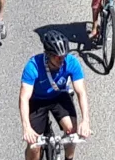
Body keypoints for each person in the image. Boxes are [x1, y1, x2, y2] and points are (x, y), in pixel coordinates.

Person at [20, 30, 91, 160]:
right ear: (48, 55)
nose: (62, 60)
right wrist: (27, 128)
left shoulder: (72, 62)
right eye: (58, 57)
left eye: (64, 56)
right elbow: (24, 98)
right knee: (34, 145)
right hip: (37, 101)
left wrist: (85, 121)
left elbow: (81, 92)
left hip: (59, 97)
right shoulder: (32, 66)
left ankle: (69, 158)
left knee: (71, 132)